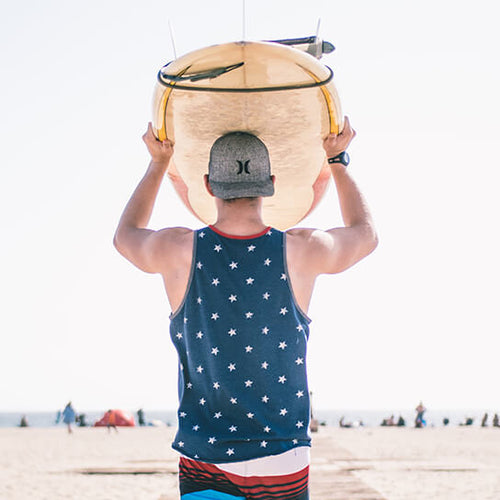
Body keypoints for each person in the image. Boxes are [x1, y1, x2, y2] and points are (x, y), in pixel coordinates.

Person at [114, 118, 377, 500]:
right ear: (271, 185)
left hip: (207, 454)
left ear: (207, 186)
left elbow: (125, 236)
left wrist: (158, 163)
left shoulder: (178, 250)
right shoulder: (302, 249)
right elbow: (365, 234)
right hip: (282, 454)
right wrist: (337, 159)